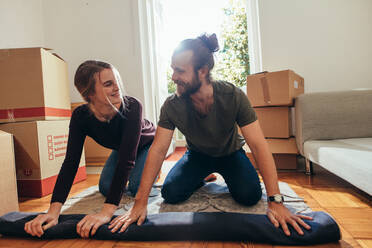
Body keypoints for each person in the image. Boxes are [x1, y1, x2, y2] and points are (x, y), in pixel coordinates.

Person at [108, 33, 313, 236]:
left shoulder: (233, 96)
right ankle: (203, 175)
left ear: (203, 71)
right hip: (197, 155)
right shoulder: (172, 105)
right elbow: (158, 149)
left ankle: (217, 174)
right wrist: (140, 203)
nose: (173, 77)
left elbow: (259, 146)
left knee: (250, 196)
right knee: (170, 193)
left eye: (180, 71)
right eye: (173, 69)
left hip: (231, 154)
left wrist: (276, 201)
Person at [24, 60, 156, 238]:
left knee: (136, 186)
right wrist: (53, 211)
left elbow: (126, 161)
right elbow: (71, 163)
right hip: (122, 147)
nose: (118, 88)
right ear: (90, 94)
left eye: (116, 81)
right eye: (109, 84)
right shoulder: (80, 116)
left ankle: (156, 168)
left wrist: (106, 213)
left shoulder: (132, 106)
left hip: (148, 144)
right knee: (106, 187)